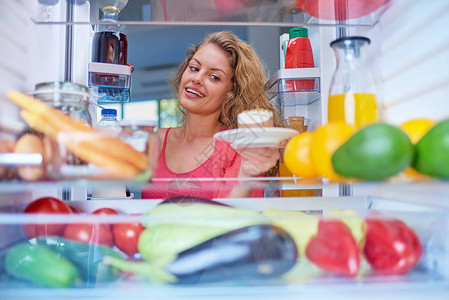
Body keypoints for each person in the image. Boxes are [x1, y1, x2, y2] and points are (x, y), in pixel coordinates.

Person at [142, 31, 281, 200]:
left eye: (214, 77)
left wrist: (246, 175)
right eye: (194, 68)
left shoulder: (239, 149)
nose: (197, 78)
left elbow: (239, 218)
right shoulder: (156, 141)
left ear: (232, 93)